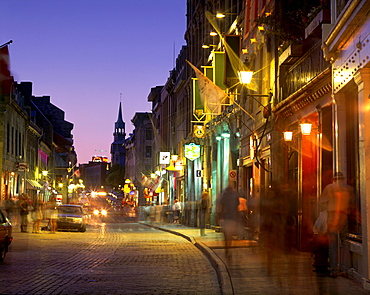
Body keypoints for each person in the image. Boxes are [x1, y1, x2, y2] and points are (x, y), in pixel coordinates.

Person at [319, 171, 352, 278]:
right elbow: (351, 204)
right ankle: (344, 269)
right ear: (343, 178)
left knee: (333, 244)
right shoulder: (348, 189)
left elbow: (322, 203)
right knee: (345, 243)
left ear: (334, 179)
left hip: (332, 216)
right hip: (344, 216)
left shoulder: (329, 188)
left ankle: (333, 270)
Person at [218, 186, 240, 258]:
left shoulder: (224, 196)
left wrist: (220, 217)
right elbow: (237, 206)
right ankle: (228, 246)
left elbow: (221, 207)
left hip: (225, 218)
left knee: (226, 234)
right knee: (230, 234)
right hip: (232, 218)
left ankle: (227, 247)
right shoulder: (235, 196)